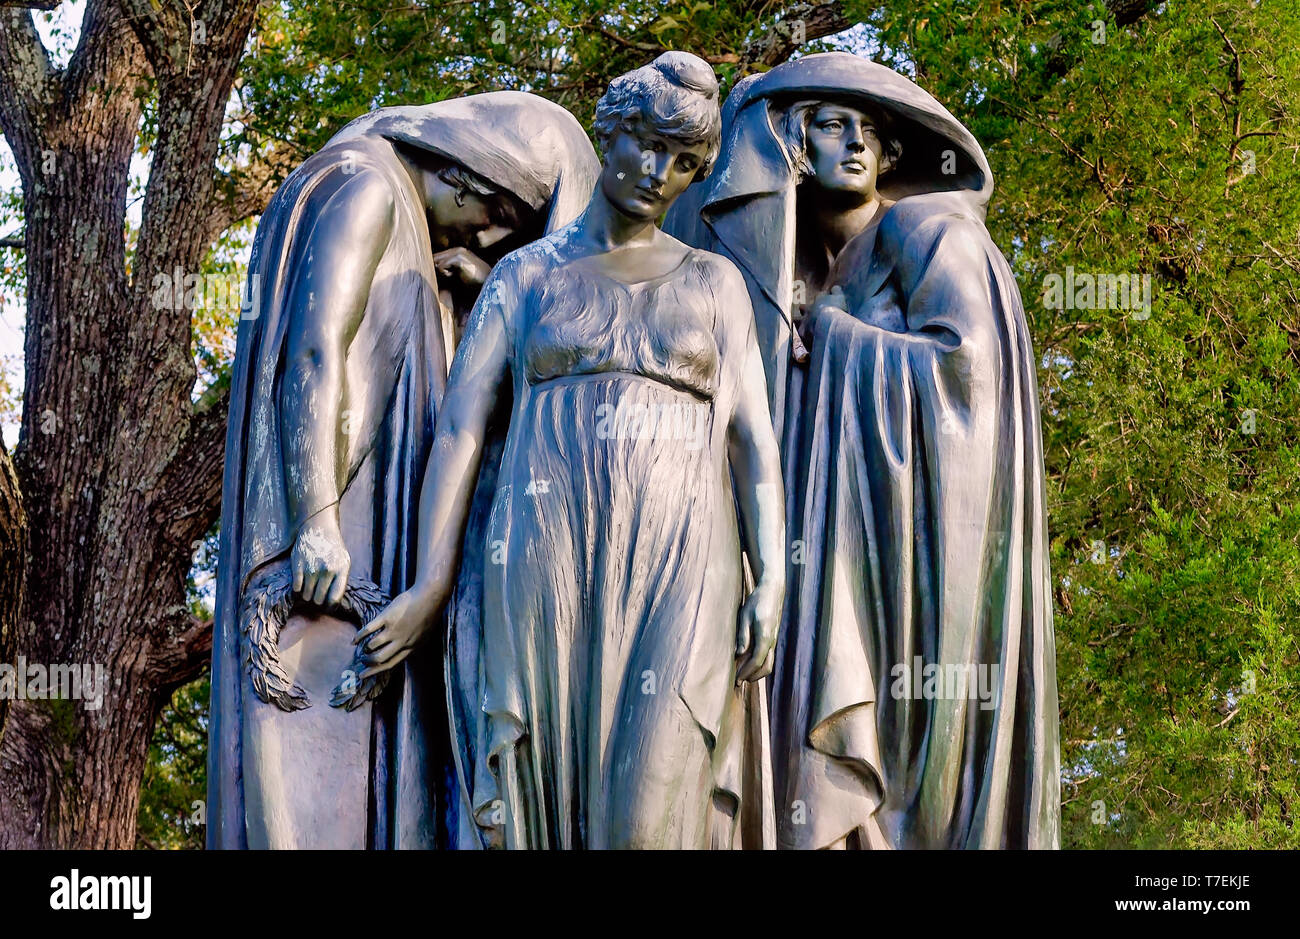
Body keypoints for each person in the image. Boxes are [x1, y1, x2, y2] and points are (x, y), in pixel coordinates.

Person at [356, 52, 785, 849]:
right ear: (611, 132)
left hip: (683, 563)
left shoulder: (716, 283)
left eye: (686, 162)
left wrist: (774, 576)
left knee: (648, 816)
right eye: (649, 145)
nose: (662, 173)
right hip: (544, 557)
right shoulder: (523, 276)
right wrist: (429, 583)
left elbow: (754, 442)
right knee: (537, 810)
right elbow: (459, 428)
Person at [667, 52, 1060, 849]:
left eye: (869, 134)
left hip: (923, 561)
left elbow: (967, 374)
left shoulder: (927, 226)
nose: (851, 144)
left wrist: (839, 340)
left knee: (913, 761)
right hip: (851, 541)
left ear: (888, 159)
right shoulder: (816, 266)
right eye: (830, 124)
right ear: (794, 145)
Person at [209, 91, 599, 849]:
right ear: (462, 169)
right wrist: (316, 520)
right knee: (313, 774)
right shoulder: (367, 186)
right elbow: (317, 346)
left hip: (348, 535)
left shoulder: (361, 193)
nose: (488, 235)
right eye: (497, 216)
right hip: (329, 547)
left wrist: (459, 296)